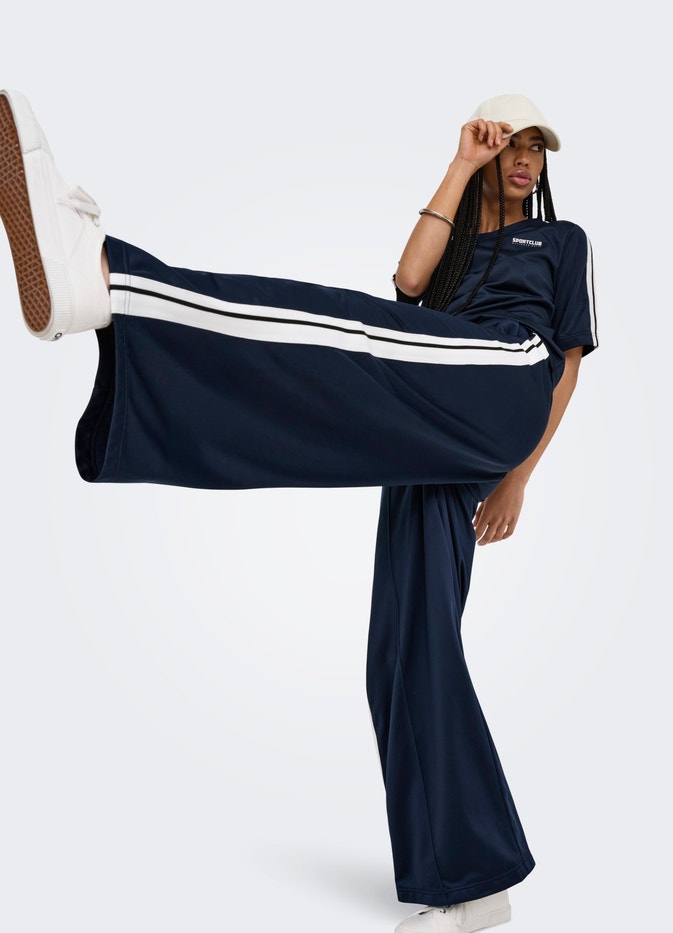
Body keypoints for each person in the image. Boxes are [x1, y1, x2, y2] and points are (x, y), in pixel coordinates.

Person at [0, 89, 597, 933]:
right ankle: (472, 881)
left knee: (351, 335)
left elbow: (567, 361)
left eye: (537, 147)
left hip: (502, 382)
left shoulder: (562, 241)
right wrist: (461, 163)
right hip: (434, 413)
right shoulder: (462, 238)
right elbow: (411, 282)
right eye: (511, 144)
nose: (526, 158)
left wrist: (520, 478)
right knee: (404, 644)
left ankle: (108, 281)